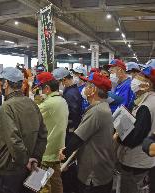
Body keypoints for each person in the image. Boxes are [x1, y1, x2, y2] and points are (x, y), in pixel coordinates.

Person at [59, 72, 115, 193]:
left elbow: (78, 137)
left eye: (88, 85)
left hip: (94, 174)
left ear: (93, 89)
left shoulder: (97, 111)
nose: (84, 88)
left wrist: (64, 153)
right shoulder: (102, 107)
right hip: (100, 168)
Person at [0, 67, 47, 193]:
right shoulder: (31, 102)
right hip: (30, 165)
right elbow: (43, 134)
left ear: (7, 83)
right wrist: (35, 157)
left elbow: (13, 139)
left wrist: (25, 160)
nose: (0, 86)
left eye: (1, 82)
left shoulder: (7, 106)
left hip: (11, 166)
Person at [114, 64, 155, 193]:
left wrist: (118, 136)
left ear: (147, 84)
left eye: (140, 78)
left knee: (129, 188)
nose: (135, 80)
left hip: (135, 161)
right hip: (144, 160)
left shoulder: (146, 106)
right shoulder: (147, 100)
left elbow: (134, 138)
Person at [37, 72, 69, 193]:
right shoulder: (61, 100)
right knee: (56, 181)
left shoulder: (48, 104)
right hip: (58, 148)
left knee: (41, 184)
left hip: (46, 151)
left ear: (47, 88)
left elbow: (32, 116)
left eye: (41, 88)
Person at [52, 67, 82, 193]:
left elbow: (72, 115)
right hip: (71, 131)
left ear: (64, 80)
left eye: (59, 81)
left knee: (66, 163)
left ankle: (69, 188)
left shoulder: (71, 93)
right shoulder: (71, 90)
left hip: (69, 133)